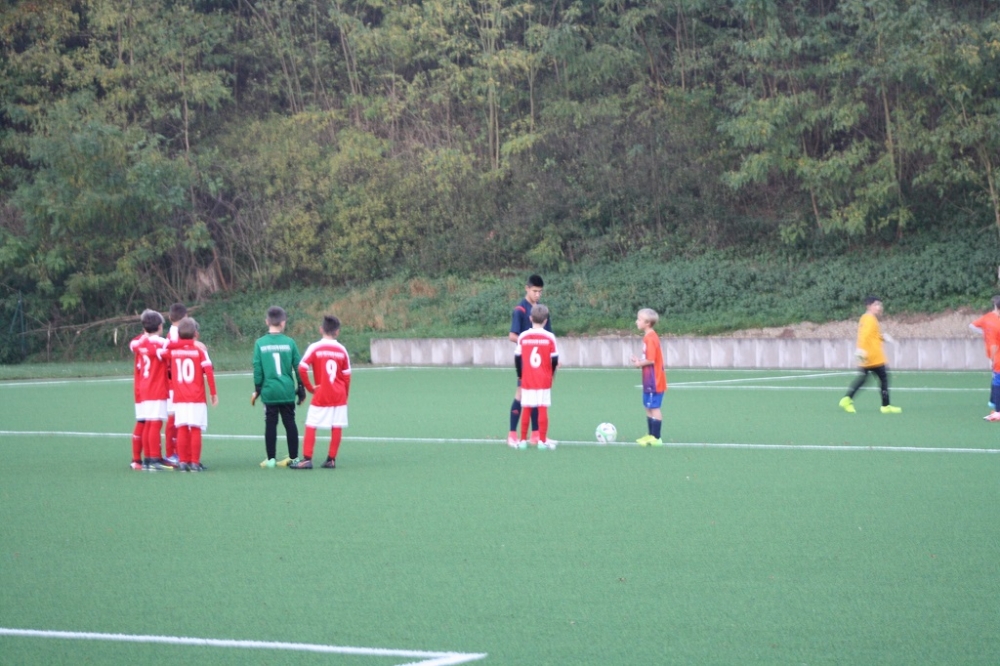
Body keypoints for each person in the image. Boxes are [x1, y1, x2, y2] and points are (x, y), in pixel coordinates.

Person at [292, 315, 352, 469]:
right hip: (339, 394)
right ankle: (331, 460)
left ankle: (307, 459)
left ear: (321, 329)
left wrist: (310, 387)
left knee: (311, 424)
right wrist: (345, 395)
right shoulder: (342, 350)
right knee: (337, 425)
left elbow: (302, 368)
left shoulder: (315, 347)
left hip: (322, 393)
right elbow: (346, 376)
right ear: (337, 332)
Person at [252, 306, 306, 468]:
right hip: (287, 390)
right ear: (283, 322)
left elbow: (257, 368)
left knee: (270, 423)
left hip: (269, 391)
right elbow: (299, 366)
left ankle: (271, 459)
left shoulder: (260, 343)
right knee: (290, 422)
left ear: (266, 321)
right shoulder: (289, 342)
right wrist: (301, 386)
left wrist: (258, 388)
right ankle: (294, 457)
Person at [165, 317, 218, 471]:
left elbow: (163, 349)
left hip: (180, 397)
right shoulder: (200, 350)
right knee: (195, 429)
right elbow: (209, 371)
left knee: (182, 428)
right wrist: (213, 393)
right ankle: (194, 462)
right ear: (196, 334)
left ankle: (183, 462)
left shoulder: (173, 351)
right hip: (197, 397)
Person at [507, 274, 551, 446]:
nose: (537, 295)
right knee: (521, 394)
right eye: (534, 291)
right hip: (526, 362)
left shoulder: (542, 310)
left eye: (540, 292)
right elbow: (512, 335)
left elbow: (549, 335)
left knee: (538, 395)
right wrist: (531, 343)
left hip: (541, 362)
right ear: (527, 288)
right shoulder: (520, 310)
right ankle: (512, 434)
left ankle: (536, 435)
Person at [839, 296, 902, 414]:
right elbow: (864, 336)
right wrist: (860, 350)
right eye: (876, 305)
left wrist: (882, 337)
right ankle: (885, 406)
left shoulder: (868, 318)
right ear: (869, 306)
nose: (879, 307)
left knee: (865, 379)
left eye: (879, 305)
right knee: (882, 379)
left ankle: (847, 399)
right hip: (872, 357)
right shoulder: (868, 319)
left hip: (871, 356)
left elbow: (872, 335)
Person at [129, 309, 174, 471]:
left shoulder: (140, 343)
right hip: (156, 387)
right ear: (160, 326)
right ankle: (153, 458)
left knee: (148, 423)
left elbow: (134, 345)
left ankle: (149, 458)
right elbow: (172, 350)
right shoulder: (161, 342)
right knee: (155, 423)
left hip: (144, 386)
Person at [513, 304, 558, 449]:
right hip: (543, 379)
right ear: (545, 320)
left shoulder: (523, 336)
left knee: (526, 407)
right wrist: (551, 375)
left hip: (527, 378)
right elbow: (554, 359)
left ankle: (522, 441)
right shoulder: (550, 337)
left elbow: (517, 357)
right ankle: (542, 441)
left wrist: (520, 375)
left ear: (530, 318)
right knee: (542, 408)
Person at [630, 308, 667, 446]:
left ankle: (656, 438)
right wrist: (639, 360)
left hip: (654, 380)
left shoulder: (650, 338)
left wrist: (639, 363)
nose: (636, 321)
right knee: (648, 406)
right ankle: (650, 434)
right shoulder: (648, 337)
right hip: (648, 380)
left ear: (647, 323)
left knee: (654, 407)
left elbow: (651, 360)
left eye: (639, 319)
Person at [164, 302, 188, 464]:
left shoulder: (174, 332)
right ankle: (171, 453)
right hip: (173, 382)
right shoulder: (174, 334)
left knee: (177, 417)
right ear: (185, 316)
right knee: (174, 417)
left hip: (176, 381)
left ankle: (177, 452)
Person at [970, 295, 1000, 421]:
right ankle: (995, 407)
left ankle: (998, 411)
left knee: (997, 382)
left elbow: (972, 326)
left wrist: (985, 332)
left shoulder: (989, 319)